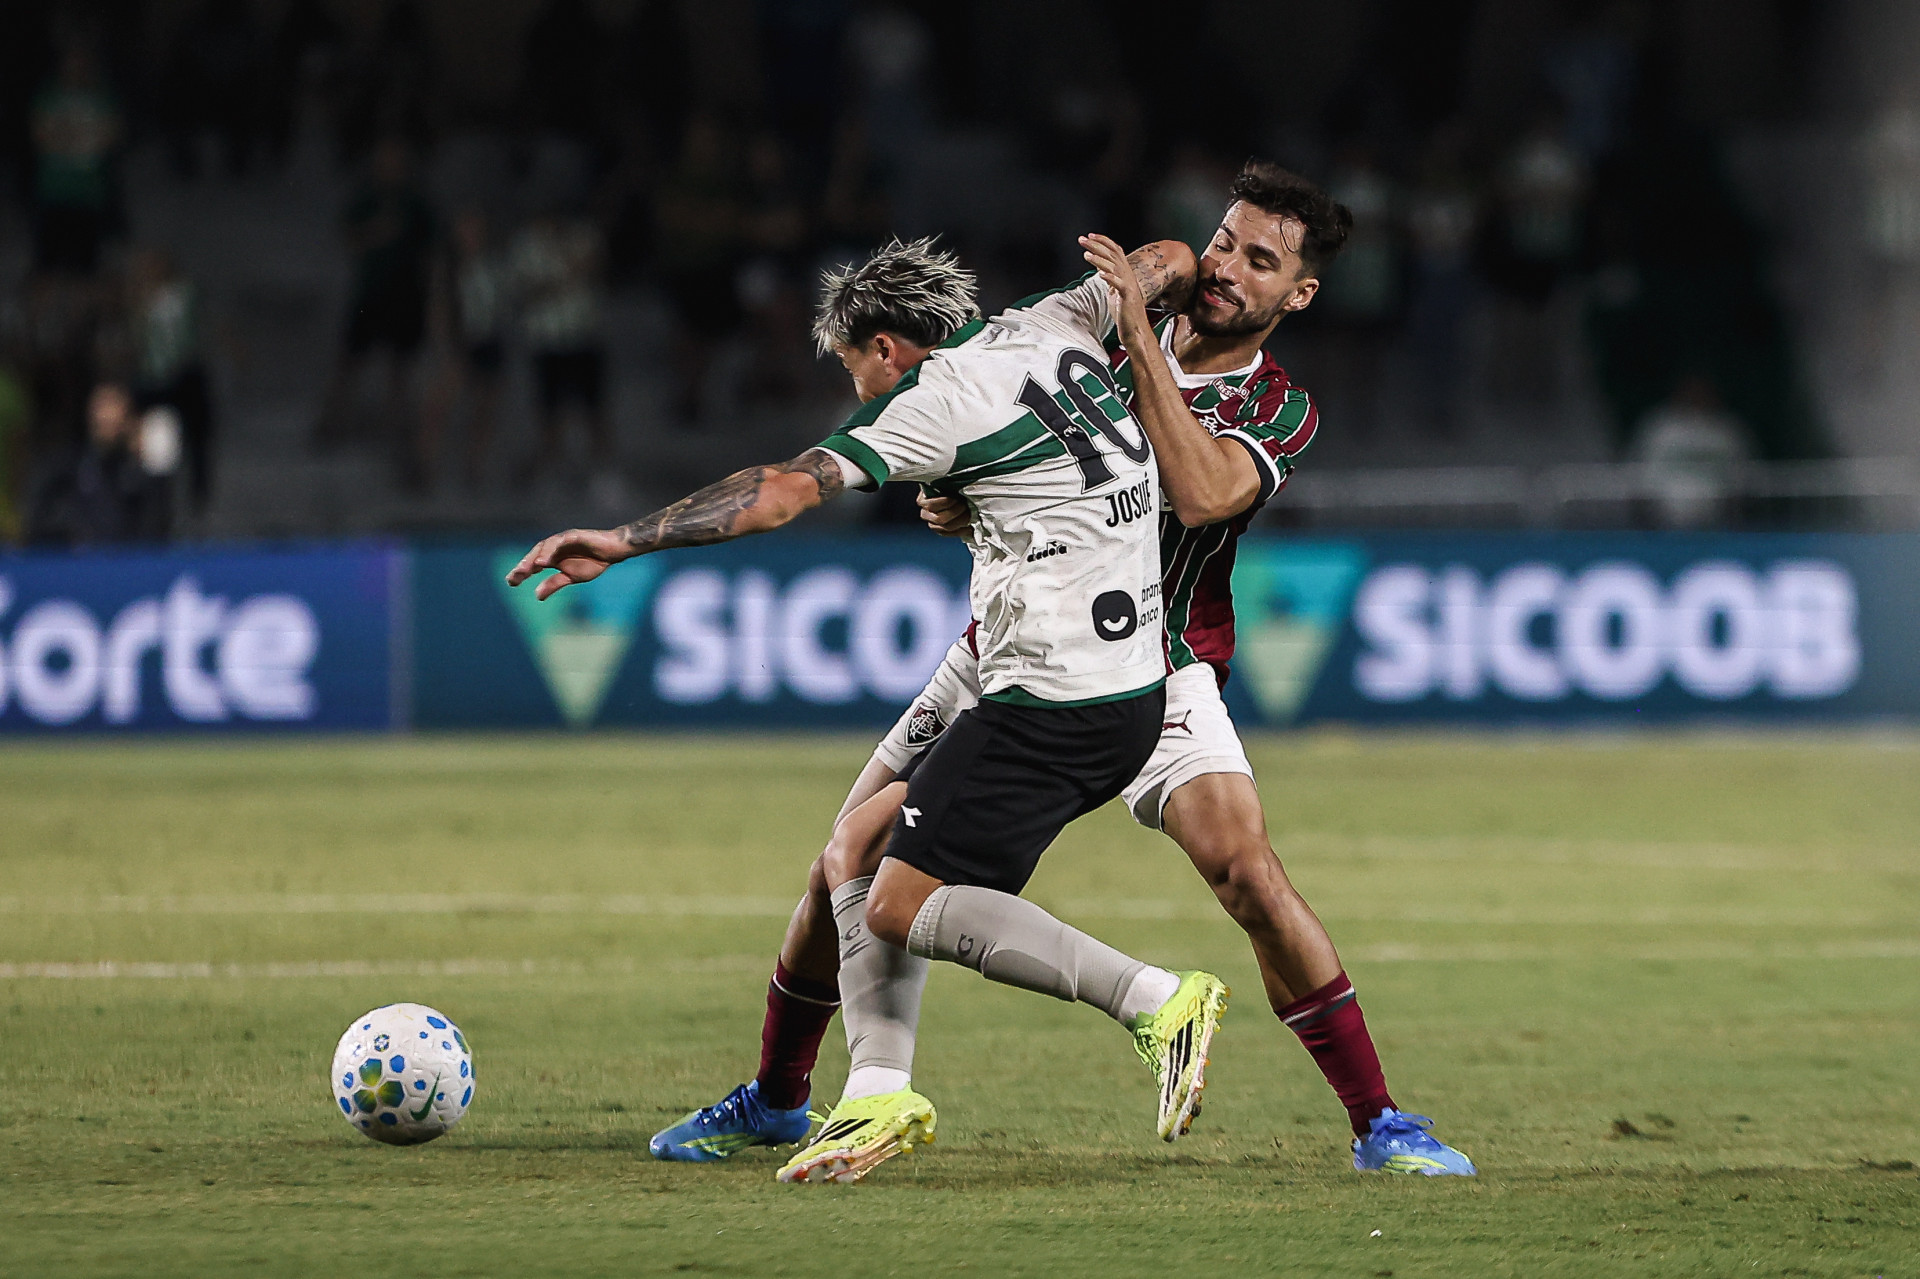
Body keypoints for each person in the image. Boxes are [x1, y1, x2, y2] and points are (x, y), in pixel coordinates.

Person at [649, 163, 1476, 1179]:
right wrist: (954, 494)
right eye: (1224, 240)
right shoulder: (1089, 330)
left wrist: (1140, 339)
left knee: (1248, 874)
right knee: (844, 858)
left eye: (1260, 261)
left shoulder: (1276, 404)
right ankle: (780, 1097)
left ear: (1296, 295)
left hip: (1164, 672)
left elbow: (1208, 492)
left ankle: (1380, 1120)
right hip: (1020, 653)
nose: (1226, 268)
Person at [510, 235, 1229, 1185]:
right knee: (847, 854)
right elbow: (1175, 257)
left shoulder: (931, 400)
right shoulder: (1053, 319)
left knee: (893, 899)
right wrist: (1131, 300)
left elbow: (775, 495)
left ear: (887, 348)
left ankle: (1155, 1000)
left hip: (1058, 698)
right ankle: (851, 1093)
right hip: (1078, 669)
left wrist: (624, 539)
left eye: (856, 371)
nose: (861, 395)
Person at [315, 136, 436, 467]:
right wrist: (376, 232)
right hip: (371, 293)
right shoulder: (367, 198)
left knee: (401, 366)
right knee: (350, 361)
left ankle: (401, 431)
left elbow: (432, 249)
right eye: (385, 160)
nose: (390, 166)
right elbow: (349, 238)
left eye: (396, 160)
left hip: (406, 294)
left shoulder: (415, 201)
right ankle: (330, 424)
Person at [418, 209, 510, 490]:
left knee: (485, 408)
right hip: (460, 342)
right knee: (438, 408)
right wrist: (447, 350)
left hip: (488, 340)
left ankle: (474, 467)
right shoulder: (447, 267)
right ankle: (425, 469)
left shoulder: (492, 264)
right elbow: (438, 309)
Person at [126, 247, 216, 513]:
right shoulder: (139, 297)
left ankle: (199, 498)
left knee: (198, 437)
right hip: (154, 379)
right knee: (157, 444)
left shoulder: (185, 292)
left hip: (185, 375)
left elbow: (204, 324)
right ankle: (157, 499)